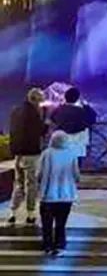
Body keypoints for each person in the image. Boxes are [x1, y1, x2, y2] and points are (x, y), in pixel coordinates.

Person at [7, 88, 47, 226]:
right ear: (35, 100)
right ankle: (30, 214)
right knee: (31, 184)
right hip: (30, 154)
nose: (41, 103)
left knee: (18, 183)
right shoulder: (34, 114)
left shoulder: (15, 110)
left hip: (17, 153)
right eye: (41, 101)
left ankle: (13, 212)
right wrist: (44, 119)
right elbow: (41, 131)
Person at [37, 131, 80, 255]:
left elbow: (39, 174)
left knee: (47, 223)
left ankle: (47, 245)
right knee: (61, 223)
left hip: (48, 195)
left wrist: (40, 183)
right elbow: (76, 175)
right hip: (66, 196)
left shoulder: (46, 154)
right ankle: (60, 245)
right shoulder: (71, 154)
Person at [48, 88, 97, 160]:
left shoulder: (59, 109)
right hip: (76, 143)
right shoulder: (80, 111)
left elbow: (52, 118)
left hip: (62, 141)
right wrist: (86, 105)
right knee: (76, 163)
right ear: (77, 99)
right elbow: (92, 118)